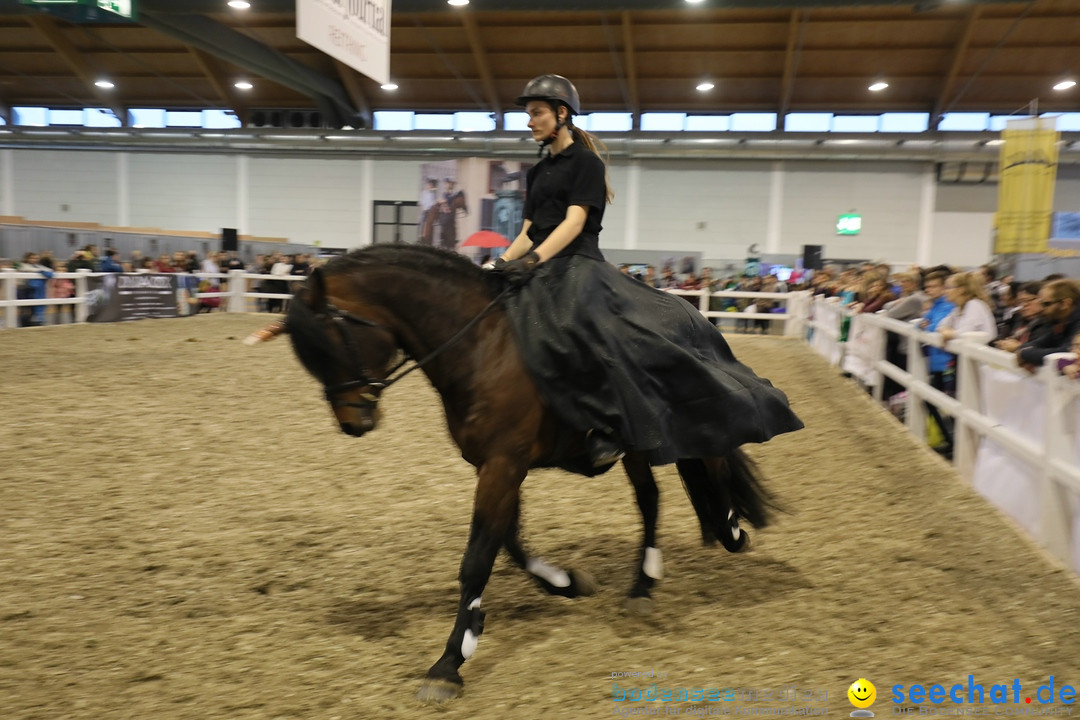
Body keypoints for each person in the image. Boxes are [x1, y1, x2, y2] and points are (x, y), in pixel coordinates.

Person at [487, 74, 803, 469]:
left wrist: (533, 260)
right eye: (529, 114)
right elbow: (527, 232)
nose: (530, 121)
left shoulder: (585, 163)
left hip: (579, 265)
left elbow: (573, 223)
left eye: (536, 113)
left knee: (588, 332)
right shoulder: (536, 172)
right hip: (543, 264)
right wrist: (500, 264)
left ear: (561, 114)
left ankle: (607, 425)